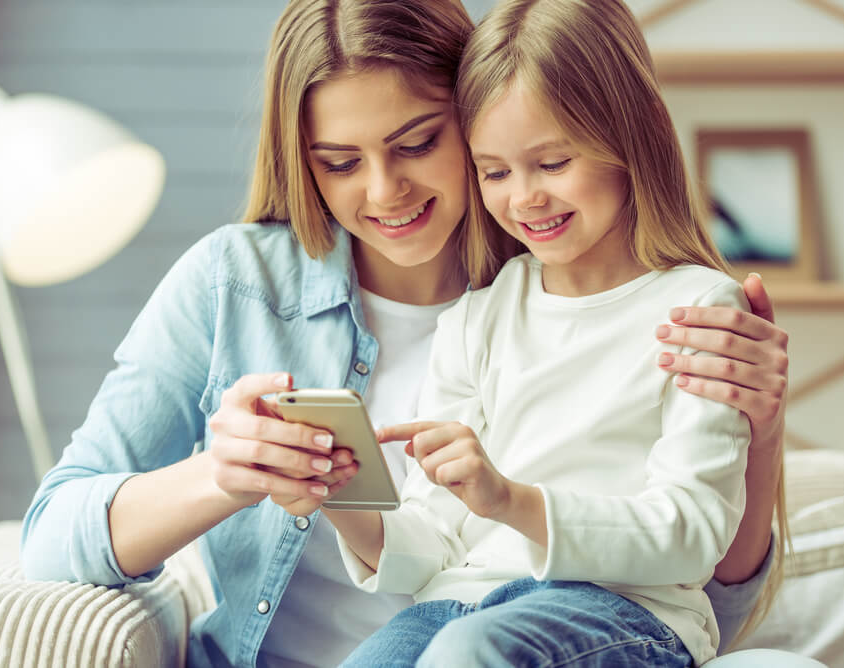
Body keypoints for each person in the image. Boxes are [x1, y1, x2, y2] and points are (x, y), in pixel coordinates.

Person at [19, 1, 788, 666]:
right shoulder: (241, 286)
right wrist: (230, 475)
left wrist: (763, 433)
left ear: (477, 107)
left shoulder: (577, 275)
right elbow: (53, 537)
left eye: (418, 142)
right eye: (339, 162)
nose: (385, 192)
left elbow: (694, 604)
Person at [319, 0, 789, 665]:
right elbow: (437, 544)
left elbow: (692, 532)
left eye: (552, 162)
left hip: (625, 612)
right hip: (462, 602)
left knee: (466, 652)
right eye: (495, 172)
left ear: (626, 138)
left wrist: (512, 501)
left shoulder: (699, 309)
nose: (525, 198)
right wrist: (341, 497)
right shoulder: (476, 322)